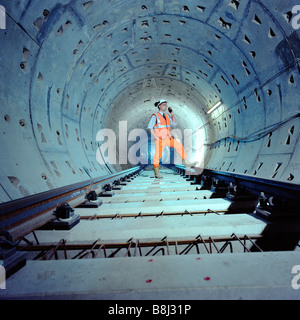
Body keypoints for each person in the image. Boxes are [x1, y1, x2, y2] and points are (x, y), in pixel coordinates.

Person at [147, 99, 198, 178]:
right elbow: (150, 127)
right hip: (160, 138)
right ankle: (157, 173)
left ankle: (186, 162)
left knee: (179, 146)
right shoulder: (155, 116)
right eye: (163, 104)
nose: (165, 106)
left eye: (166, 104)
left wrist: (172, 114)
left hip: (168, 138)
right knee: (157, 155)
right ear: (159, 106)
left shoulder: (167, 115)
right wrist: (155, 136)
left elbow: (174, 123)